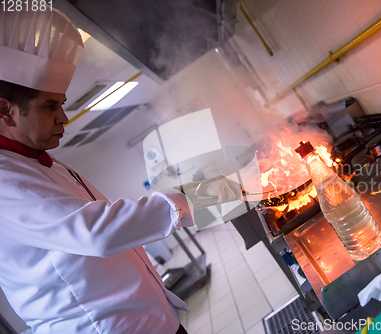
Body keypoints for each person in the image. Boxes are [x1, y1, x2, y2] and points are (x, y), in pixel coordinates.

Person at [0, 9, 240, 334]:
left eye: (61, 104)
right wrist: (204, 196)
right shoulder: (6, 180)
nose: (63, 118)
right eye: (49, 106)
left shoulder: (46, 163)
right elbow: (97, 232)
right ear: (6, 110)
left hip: (152, 321)